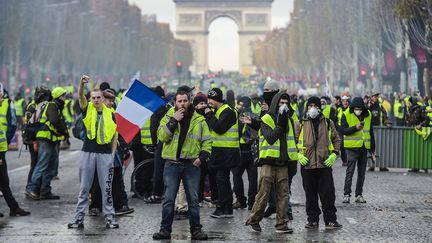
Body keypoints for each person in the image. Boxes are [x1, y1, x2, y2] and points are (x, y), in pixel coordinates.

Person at [152, 90, 211, 240]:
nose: (182, 104)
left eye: (185, 101)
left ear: (189, 101)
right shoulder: (168, 116)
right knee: (169, 199)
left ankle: (196, 230)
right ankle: (165, 230)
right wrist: (173, 121)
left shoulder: (199, 119)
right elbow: (162, 137)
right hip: (172, 164)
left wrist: (201, 158)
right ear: (175, 103)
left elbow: (207, 141)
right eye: (179, 101)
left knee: (193, 200)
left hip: (192, 165)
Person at [68, 75, 119, 229]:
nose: (96, 100)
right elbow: (81, 97)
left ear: (103, 99)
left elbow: (114, 136)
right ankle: (78, 219)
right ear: (90, 99)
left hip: (104, 154)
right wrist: (81, 84)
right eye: (94, 97)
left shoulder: (111, 114)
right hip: (88, 153)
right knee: (84, 187)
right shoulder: (87, 109)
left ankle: (110, 217)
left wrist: (112, 154)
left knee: (106, 188)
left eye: (99, 97)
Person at [245, 92, 295, 233]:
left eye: (286, 103)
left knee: (283, 194)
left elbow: (292, 142)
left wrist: (293, 163)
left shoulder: (290, 120)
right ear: (275, 103)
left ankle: (281, 224)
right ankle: (254, 219)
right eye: (281, 103)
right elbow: (271, 137)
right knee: (263, 193)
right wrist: (280, 124)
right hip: (268, 161)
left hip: (283, 162)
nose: (283, 106)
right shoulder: (266, 119)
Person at [295, 96, 342, 230]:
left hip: (324, 165)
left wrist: (334, 154)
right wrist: (298, 155)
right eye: (310, 106)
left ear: (319, 108)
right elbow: (293, 141)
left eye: (315, 106)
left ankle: (331, 220)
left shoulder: (327, 122)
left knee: (328, 194)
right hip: (307, 165)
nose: (312, 108)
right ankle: (312, 220)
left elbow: (337, 140)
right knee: (310, 195)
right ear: (306, 107)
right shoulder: (301, 123)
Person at [25, 87, 68, 200]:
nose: (65, 98)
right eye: (63, 96)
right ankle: (31, 189)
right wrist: (64, 131)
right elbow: (54, 120)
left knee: (51, 167)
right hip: (45, 139)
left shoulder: (57, 106)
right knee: (42, 165)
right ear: (58, 96)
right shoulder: (52, 105)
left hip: (51, 139)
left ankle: (45, 191)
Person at [205, 88, 240, 218]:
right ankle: (226, 208)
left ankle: (224, 208)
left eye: (211, 99)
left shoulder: (228, 111)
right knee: (222, 181)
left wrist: (209, 115)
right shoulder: (218, 111)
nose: (209, 102)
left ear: (218, 99)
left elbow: (219, 128)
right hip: (220, 151)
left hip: (227, 152)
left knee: (222, 180)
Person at [0, 88, 30, 217]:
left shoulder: (6, 105)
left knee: (3, 182)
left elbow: (10, 126)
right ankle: (14, 207)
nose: (2, 98)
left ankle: (14, 207)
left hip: (2, 149)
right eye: (0, 96)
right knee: (4, 181)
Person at [341, 97, 375, 203]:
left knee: (362, 173)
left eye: (360, 108)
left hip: (364, 148)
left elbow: (371, 131)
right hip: (352, 148)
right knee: (350, 172)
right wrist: (355, 127)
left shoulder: (368, 114)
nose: (358, 110)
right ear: (352, 108)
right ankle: (346, 194)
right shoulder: (346, 114)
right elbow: (343, 130)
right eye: (356, 108)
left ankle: (359, 194)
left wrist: (373, 149)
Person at [232, 96, 258, 210]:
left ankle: (240, 200)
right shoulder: (254, 115)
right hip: (253, 150)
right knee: (253, 178)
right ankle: (252, 202)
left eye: (239, 104)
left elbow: (237, 132)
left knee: (237, 176)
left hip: (241, 150)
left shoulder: (240, 115)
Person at [368, 93, 391, 171]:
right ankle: (371, 165)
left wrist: (387, 122)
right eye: (374, 96)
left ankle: (382, 165)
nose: (375, 97)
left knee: (382, 148)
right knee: (371, 148)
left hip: (380, 131)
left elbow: (385, 116)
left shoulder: (380, 106)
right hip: (370, 130)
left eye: (376, 96)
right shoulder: (368, 106)